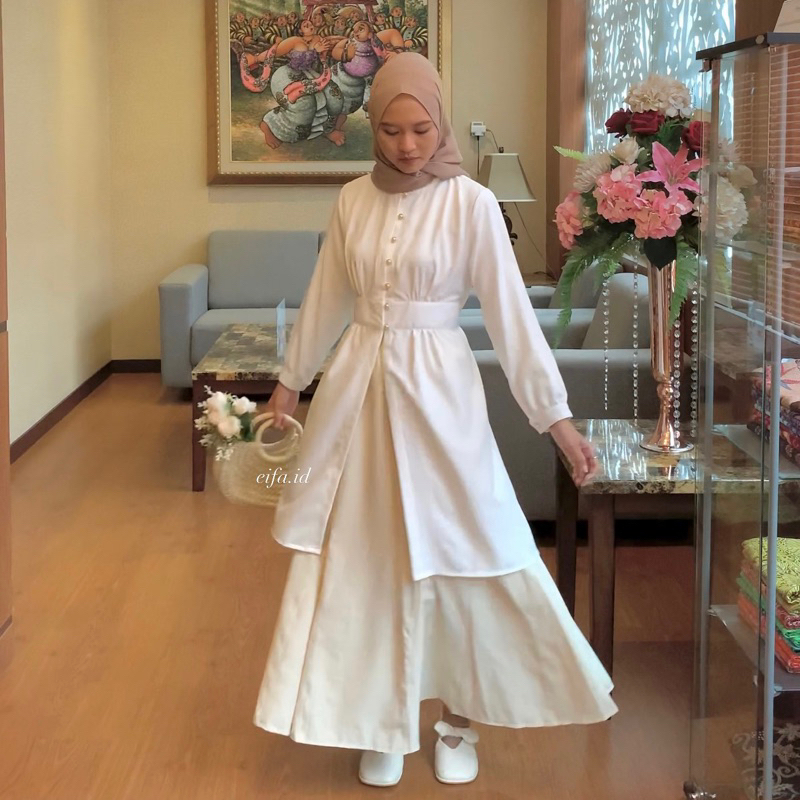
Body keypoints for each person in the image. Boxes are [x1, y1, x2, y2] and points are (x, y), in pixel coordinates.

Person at [252, 52, 616, 788]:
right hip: (358, 397)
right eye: (390, 131)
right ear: (371, 126)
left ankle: (457, 719)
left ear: (441, 121)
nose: (407, 145)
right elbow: (325, 299)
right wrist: (288, 387)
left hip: (442, 397)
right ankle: (376, 718)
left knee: (465, 551)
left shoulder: (472, 205)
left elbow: (513, 321)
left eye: (421, 129)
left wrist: (559, 421)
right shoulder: (352, 200)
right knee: (368, 561)